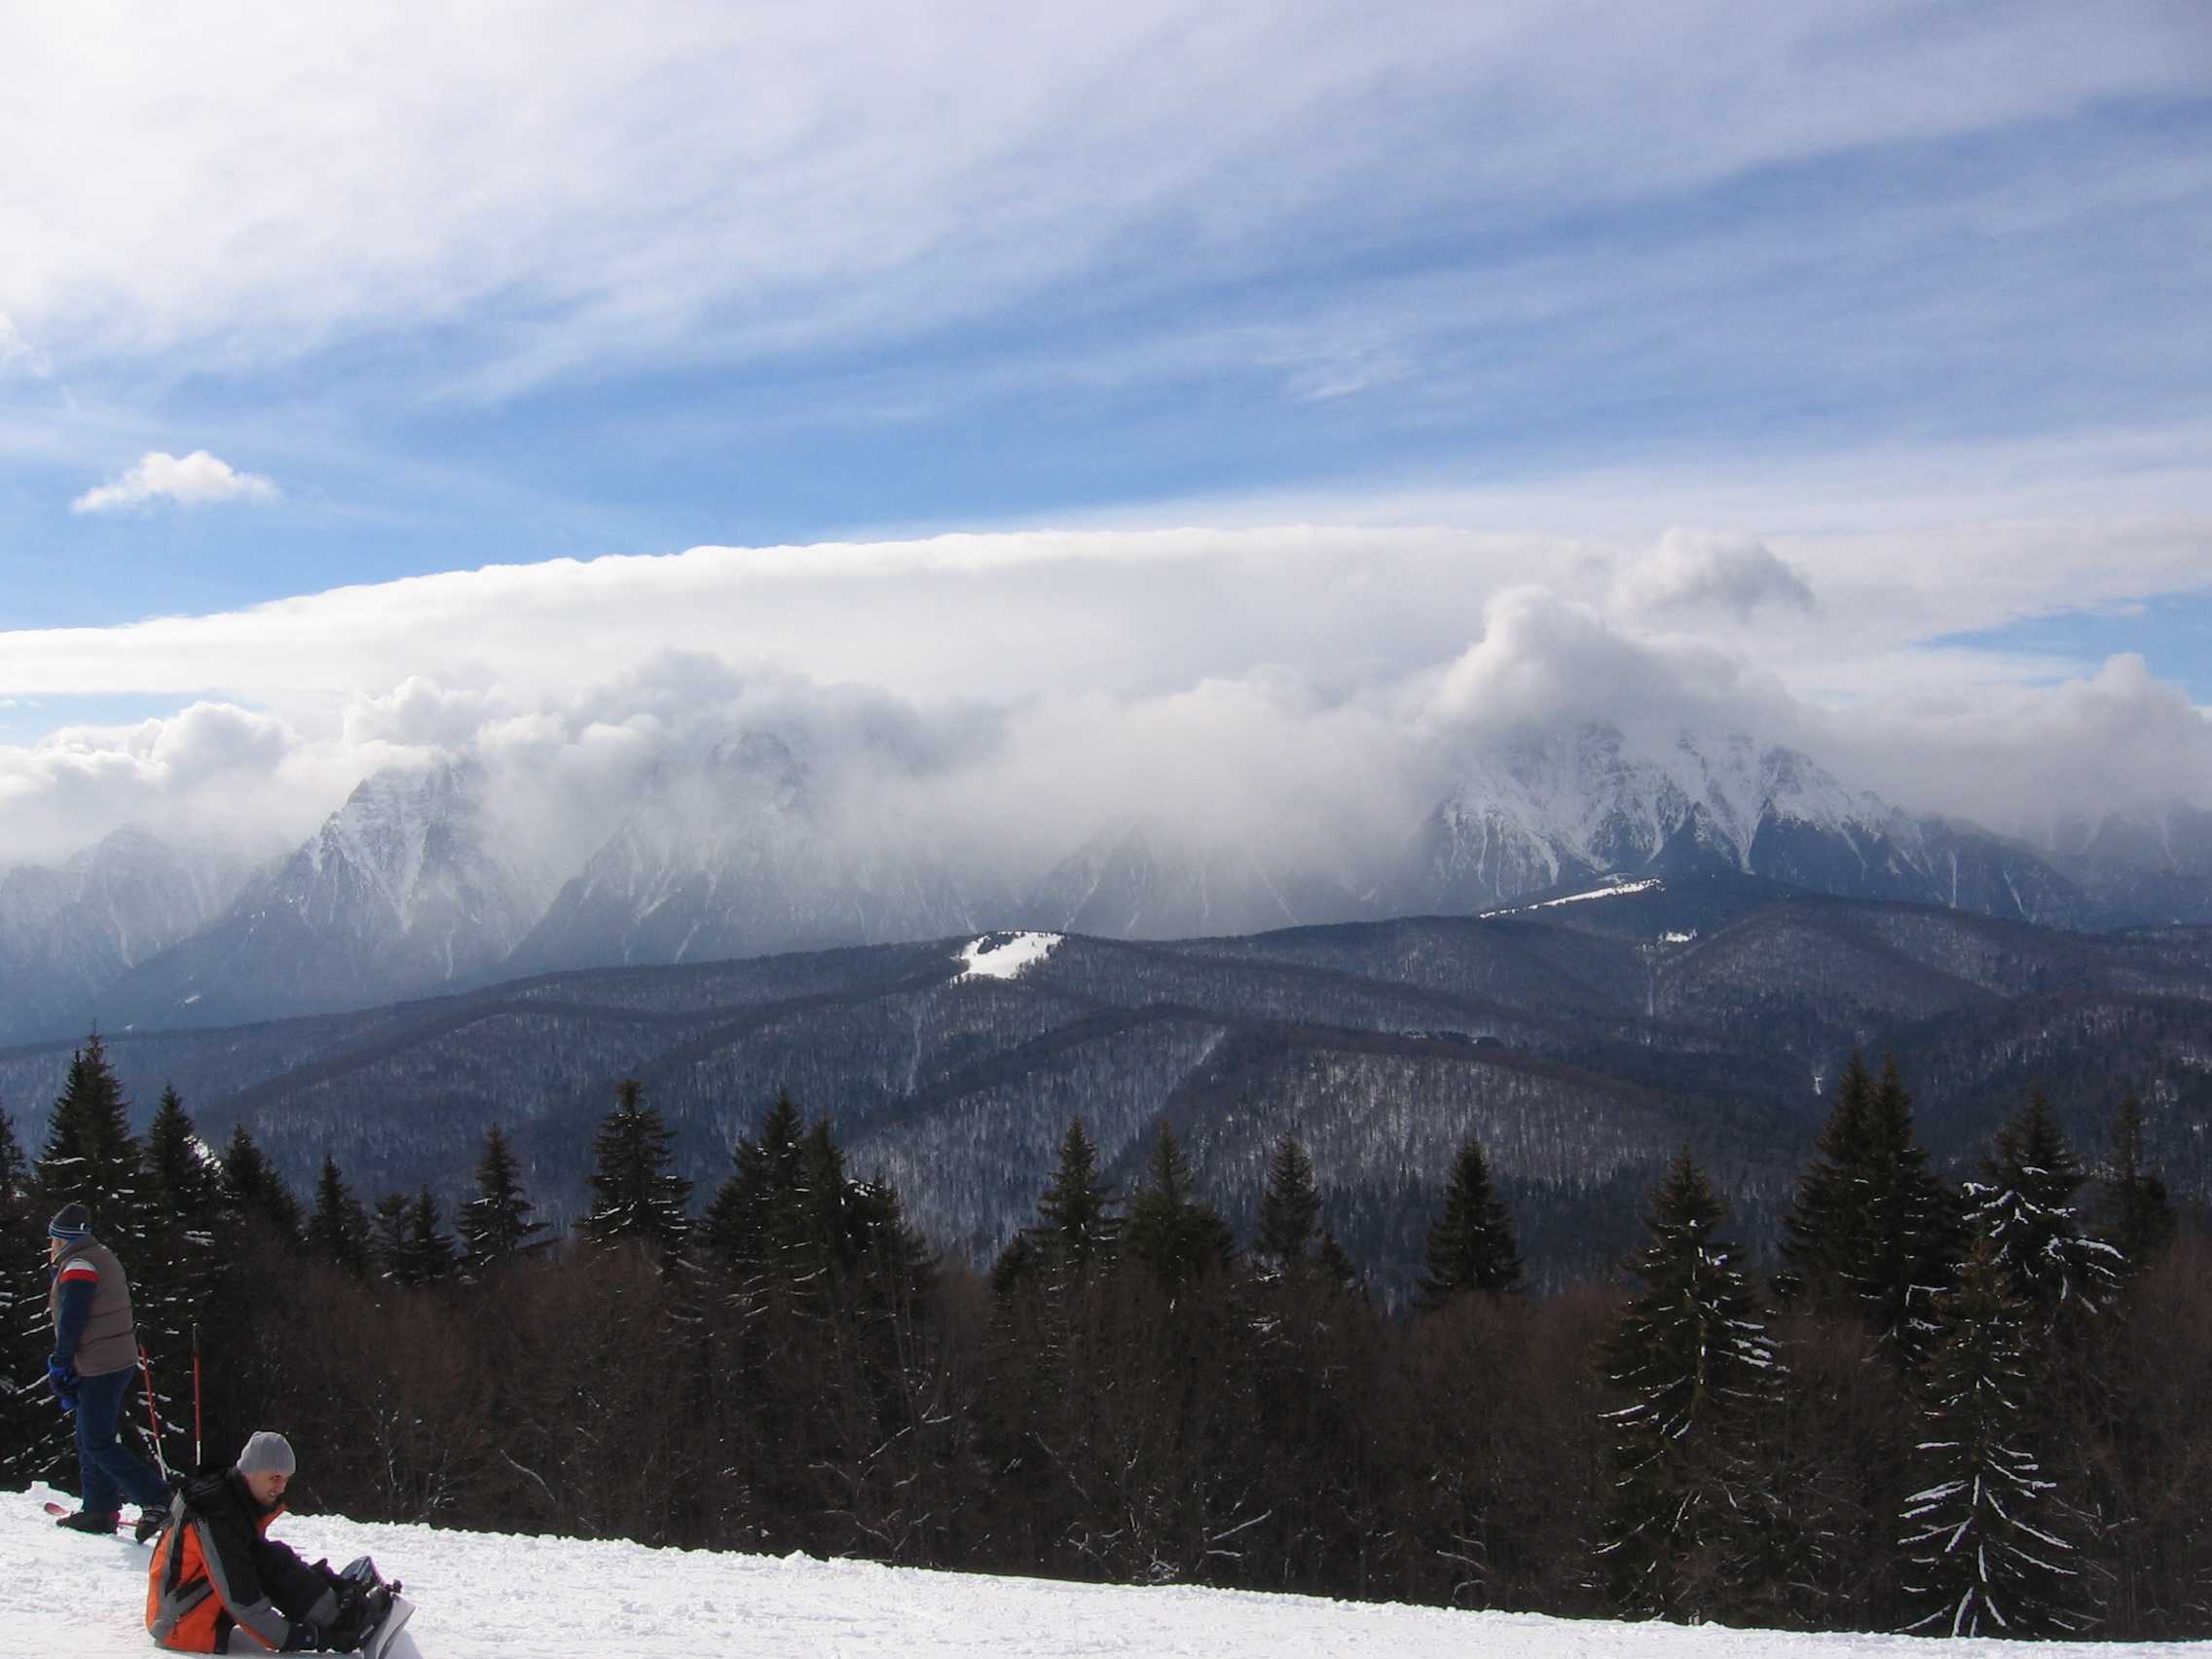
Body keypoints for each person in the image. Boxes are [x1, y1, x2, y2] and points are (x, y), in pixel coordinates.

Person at [146, 1430, 397, 1653]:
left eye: (286, 1480)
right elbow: (242, 1600)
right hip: (176, 1623)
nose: (281, 1488)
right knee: (268, 1562)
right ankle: (345, 1624)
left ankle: (337, 1607)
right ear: (250, 1472)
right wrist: (306, 1637)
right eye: (275, 1478)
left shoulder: (233, 1498)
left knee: (270, 1557)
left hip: (183, 1608)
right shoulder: (215, 1511)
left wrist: (326, 1583)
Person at [45, 1200, 172, 1537]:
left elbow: (73, 1319)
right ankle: (99, 1508)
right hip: (111, 1359)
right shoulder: (97, 1255)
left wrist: (60, 1360)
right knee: (89, 1436)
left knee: (97, 1440)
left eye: (53, 1239)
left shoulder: (79, 1265)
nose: (50, 1246)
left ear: (63, 1239)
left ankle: (158, 1499)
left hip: (100, 1364)